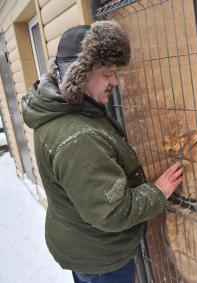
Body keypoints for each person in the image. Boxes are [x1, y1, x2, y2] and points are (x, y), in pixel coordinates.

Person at [21, 21, 183, 283]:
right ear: (80, 74)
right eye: (108, 73)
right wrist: (158, 191)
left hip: (82, 243)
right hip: (101, 260)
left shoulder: (59, 108)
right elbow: (113, 211)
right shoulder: (78, 137)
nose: (115, 82)